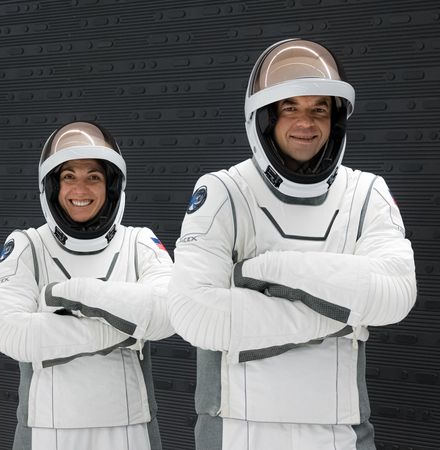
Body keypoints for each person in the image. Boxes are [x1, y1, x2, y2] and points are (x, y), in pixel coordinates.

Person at [167, 38, 417, 449]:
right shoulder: (223, 191)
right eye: (290, 108)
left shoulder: (367, 192)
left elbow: (396, 293)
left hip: (342, 433)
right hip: (235, 432)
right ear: (264, 118)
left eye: (319, 108)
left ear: (335, 119)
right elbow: (195, 313)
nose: (307, 122)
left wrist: (264, 272)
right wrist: (344, 313)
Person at [0, 121, 175, 450]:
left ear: (111, 186)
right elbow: (11, 333)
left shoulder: (139, 241)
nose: (81, 189)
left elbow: (169, 311)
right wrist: (126, 328)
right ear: (52, 187)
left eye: (94, 177)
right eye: (68, 177)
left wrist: (77, 298)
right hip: (48, 431)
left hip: (129, 429)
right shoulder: (26, 246)